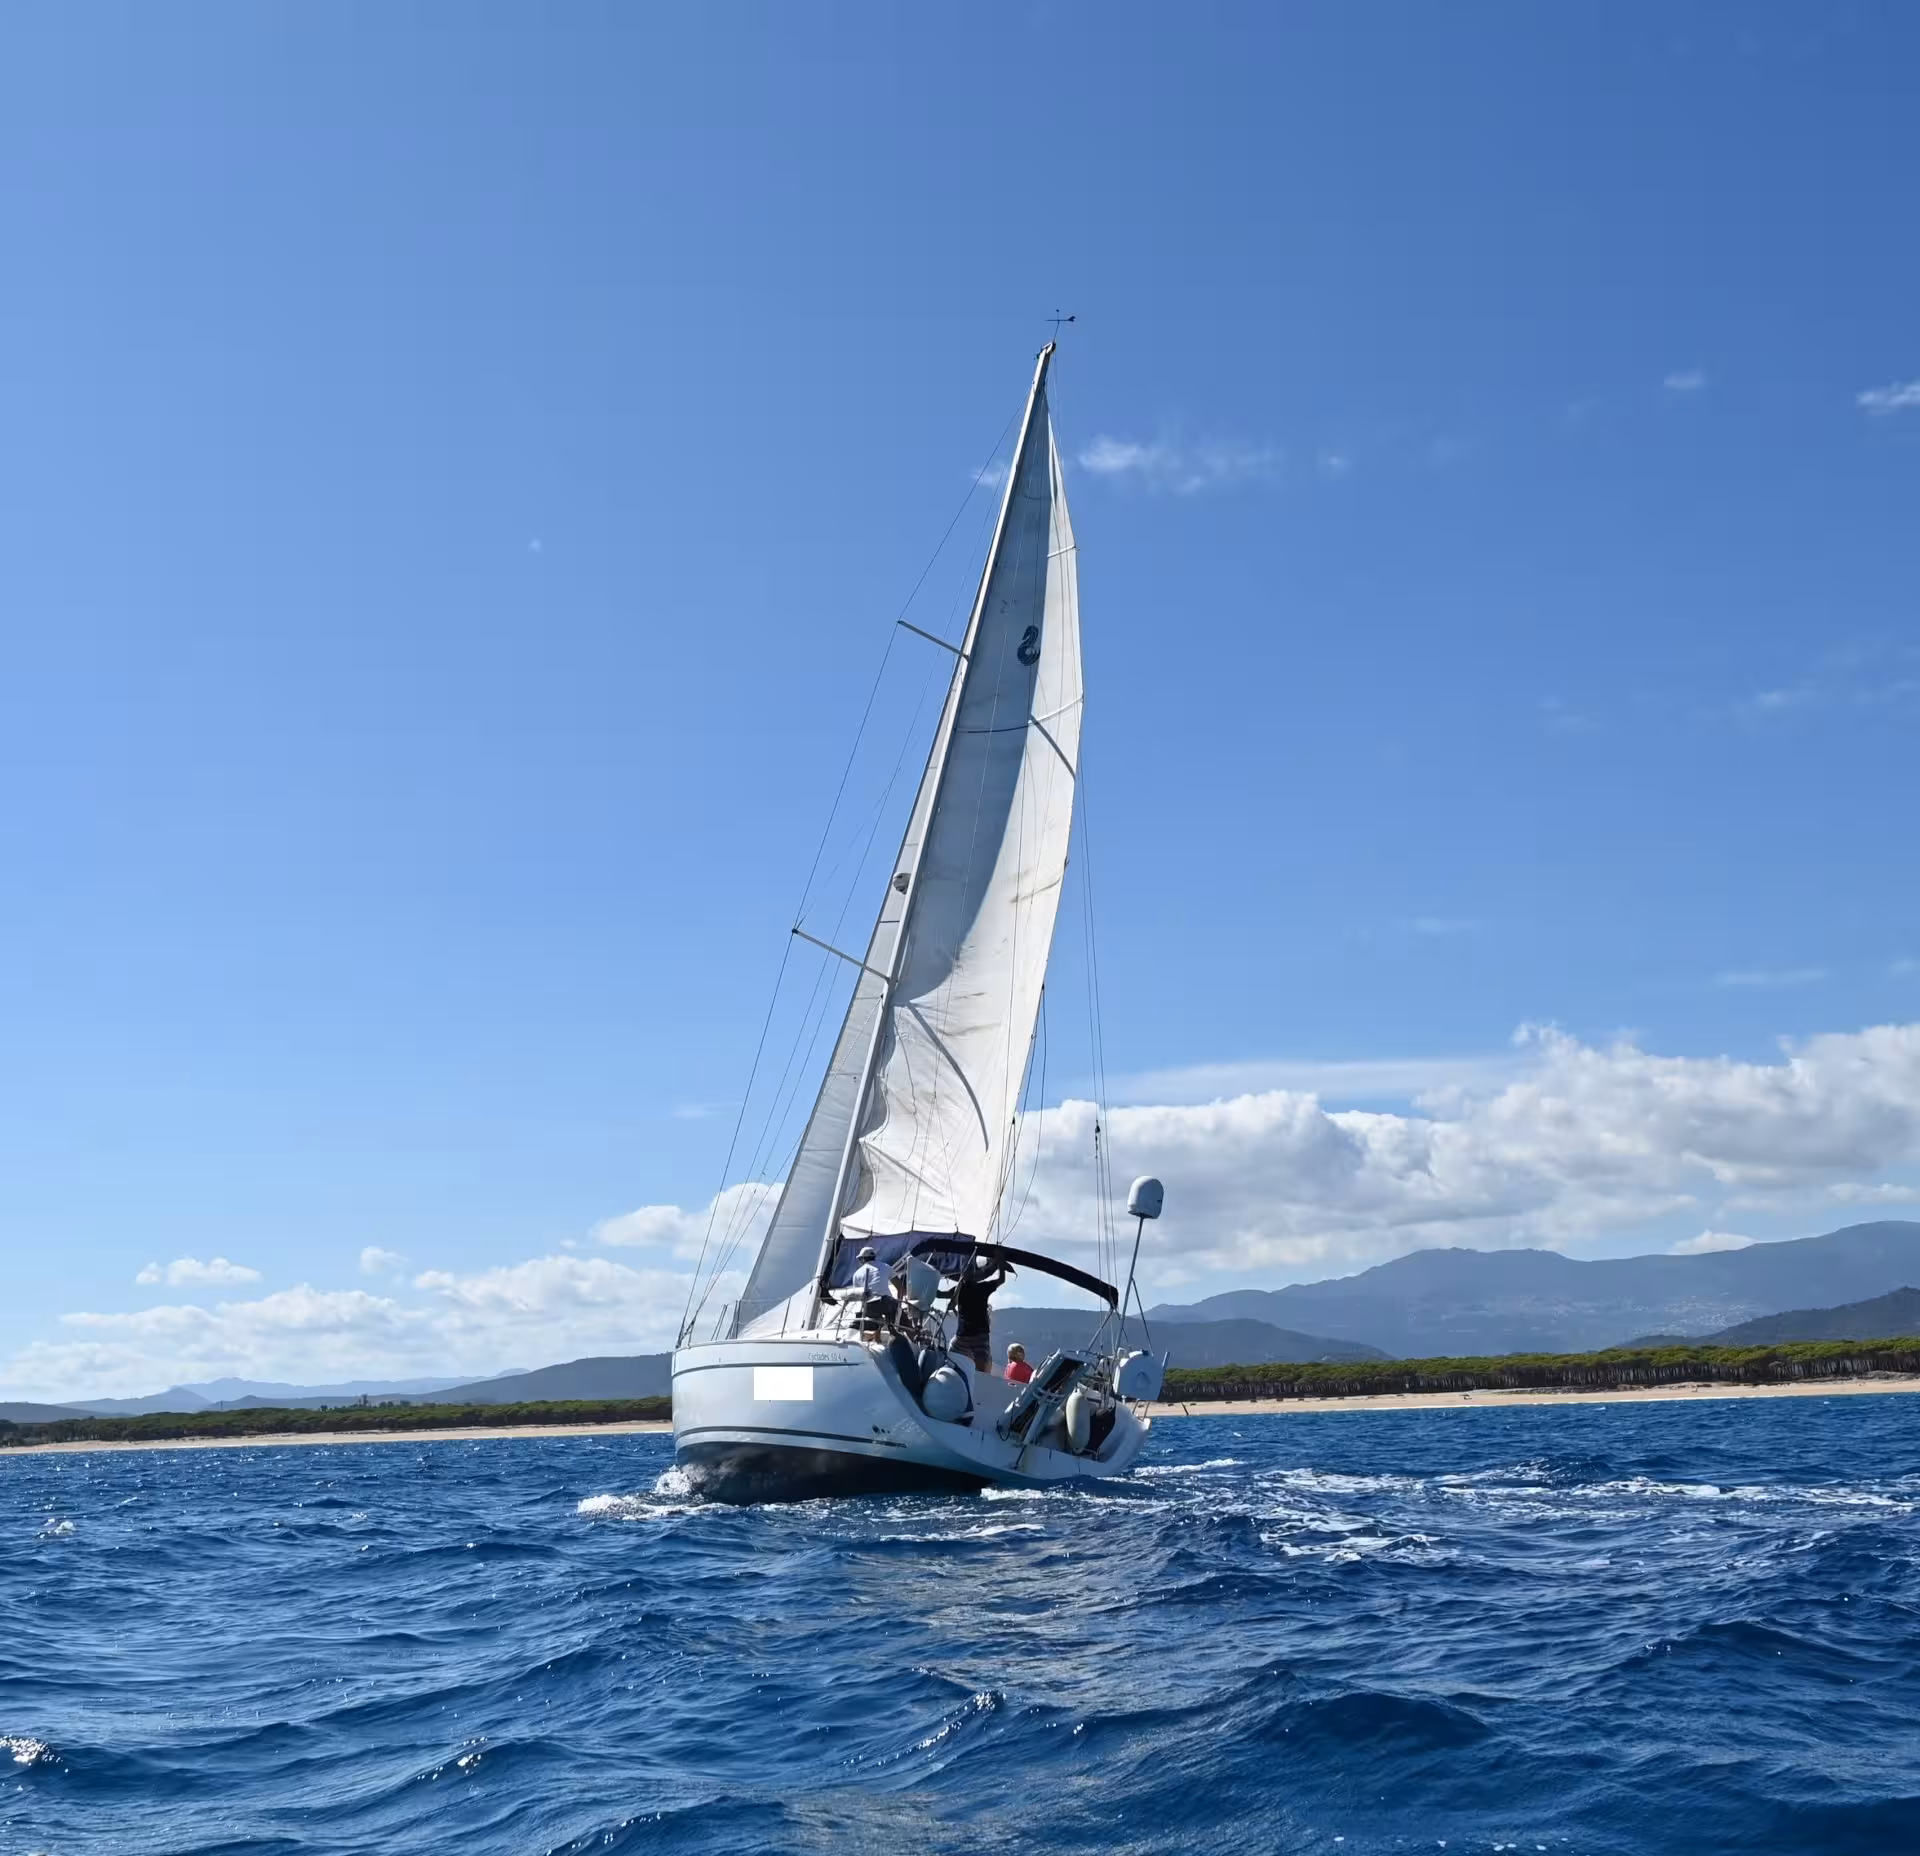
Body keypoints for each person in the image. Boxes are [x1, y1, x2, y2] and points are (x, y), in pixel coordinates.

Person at [951, 1255, 1009, 1372]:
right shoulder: (983, 1287)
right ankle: (982, 1380)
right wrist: (1001, 1263)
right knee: (982, 1367)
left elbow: (942, 1295)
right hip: (980, 1336)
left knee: (951, 1356)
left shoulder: (960, 1288)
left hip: (963, 1335)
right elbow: (1001, 1280)